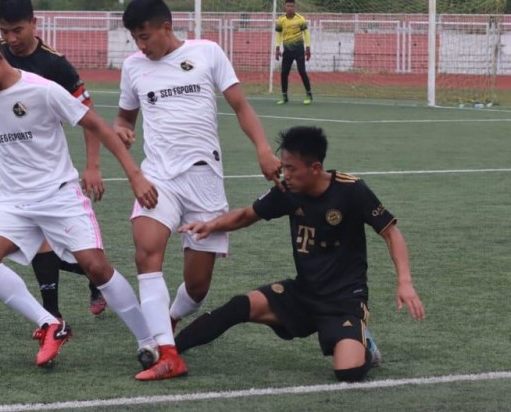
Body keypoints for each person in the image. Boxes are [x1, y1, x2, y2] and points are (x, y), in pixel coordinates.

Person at [0, 23, 161, 371]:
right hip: (14, 203)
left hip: (59, 196)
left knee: (96, 266)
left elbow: (97, 126)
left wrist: (134, 175)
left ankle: (148, 340)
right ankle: (50, 323)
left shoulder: (44, 91)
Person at [115, 0, 281, 381]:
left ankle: (169, 320)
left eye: (145, 36)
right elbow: (125, 117)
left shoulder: (207, 52)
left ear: (166, 28)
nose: (141, 46)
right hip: (158, 178)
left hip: (204, 182)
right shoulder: (133, 67)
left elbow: (241, 106)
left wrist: (262, 149)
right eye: (135, 39)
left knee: (198, 285)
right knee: (147, 253)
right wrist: (124, 129)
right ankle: (168, 353)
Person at [176, 126, 426, 382]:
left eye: (291, 168)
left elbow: (391, 233)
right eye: (284, 166)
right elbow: (247, 215)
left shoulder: (351, 191)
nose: (285, 174)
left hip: (343, 302)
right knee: (239, 306)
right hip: (303, 294)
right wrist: (210, 226)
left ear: (315, 168)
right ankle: (170, 350)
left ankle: (365, 346)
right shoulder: (288, 191)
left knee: (348, 373)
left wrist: (405, 282)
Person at [0, 0, 109, 320]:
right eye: (4, 31)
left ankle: (90, 284)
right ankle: (54, 318)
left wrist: (93, 166)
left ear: (35, 23)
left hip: (50, 174)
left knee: (53, 249)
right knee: (35, 247)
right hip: (15, 177)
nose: (11, 39)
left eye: (17, 30)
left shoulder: (54, 65)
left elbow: (89, 116)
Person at [274, 0, 313, 105]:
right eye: (288, 6)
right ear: (285, 7)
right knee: (284, 73)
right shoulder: (281, 20)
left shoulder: (300, 19)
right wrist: (277, 48)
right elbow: (278, 34)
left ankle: (309, 94)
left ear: (294, 7)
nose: (290, 8)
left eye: (292, 6)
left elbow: (306, 33)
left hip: (299, 50)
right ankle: (284, 96)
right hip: (287, 51)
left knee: (302, 71)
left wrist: (308, 48)